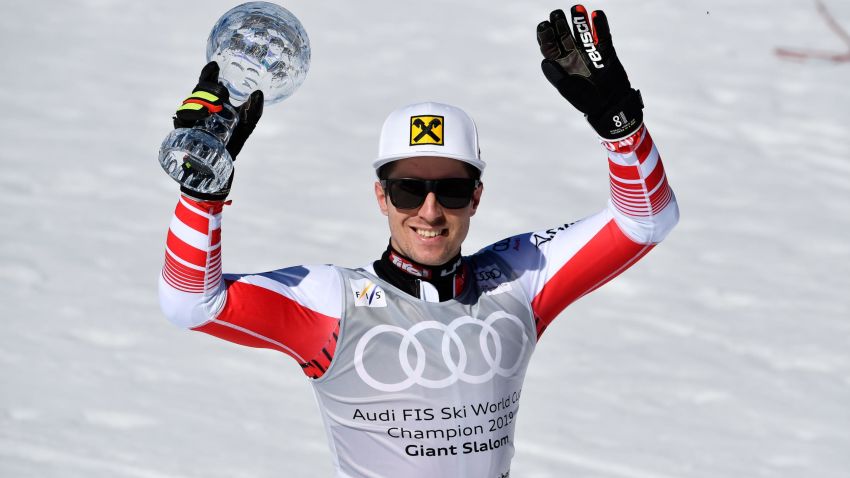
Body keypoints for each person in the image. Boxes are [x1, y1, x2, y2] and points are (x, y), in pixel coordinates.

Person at [158, 5, 678, 477]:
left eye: (450, 190)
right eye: (409, 190)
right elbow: (191, 303)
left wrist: (621, 127)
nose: (430, 211)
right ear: (381, 197)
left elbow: (647, 220)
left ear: (477, 197)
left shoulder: (517, 282)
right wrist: (201, 192)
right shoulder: (332, 303)